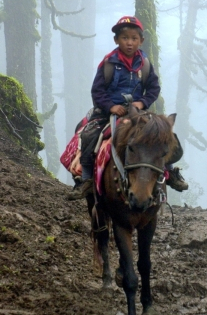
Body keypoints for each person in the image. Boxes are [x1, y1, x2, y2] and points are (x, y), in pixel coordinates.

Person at [67, 15, 188, 200]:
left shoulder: (145, 64)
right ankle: (86, 180)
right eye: (125, 38)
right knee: (89, 135)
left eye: (134, 38)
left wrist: (142, 103)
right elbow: (97, 91)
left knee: (162, 135)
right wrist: (111, 106)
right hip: (109, 112)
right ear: (116, 40)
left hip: (139, 113)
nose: (129, 43)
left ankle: (170, 173)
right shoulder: (108, 63)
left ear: (141, 40)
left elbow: (154, 88)